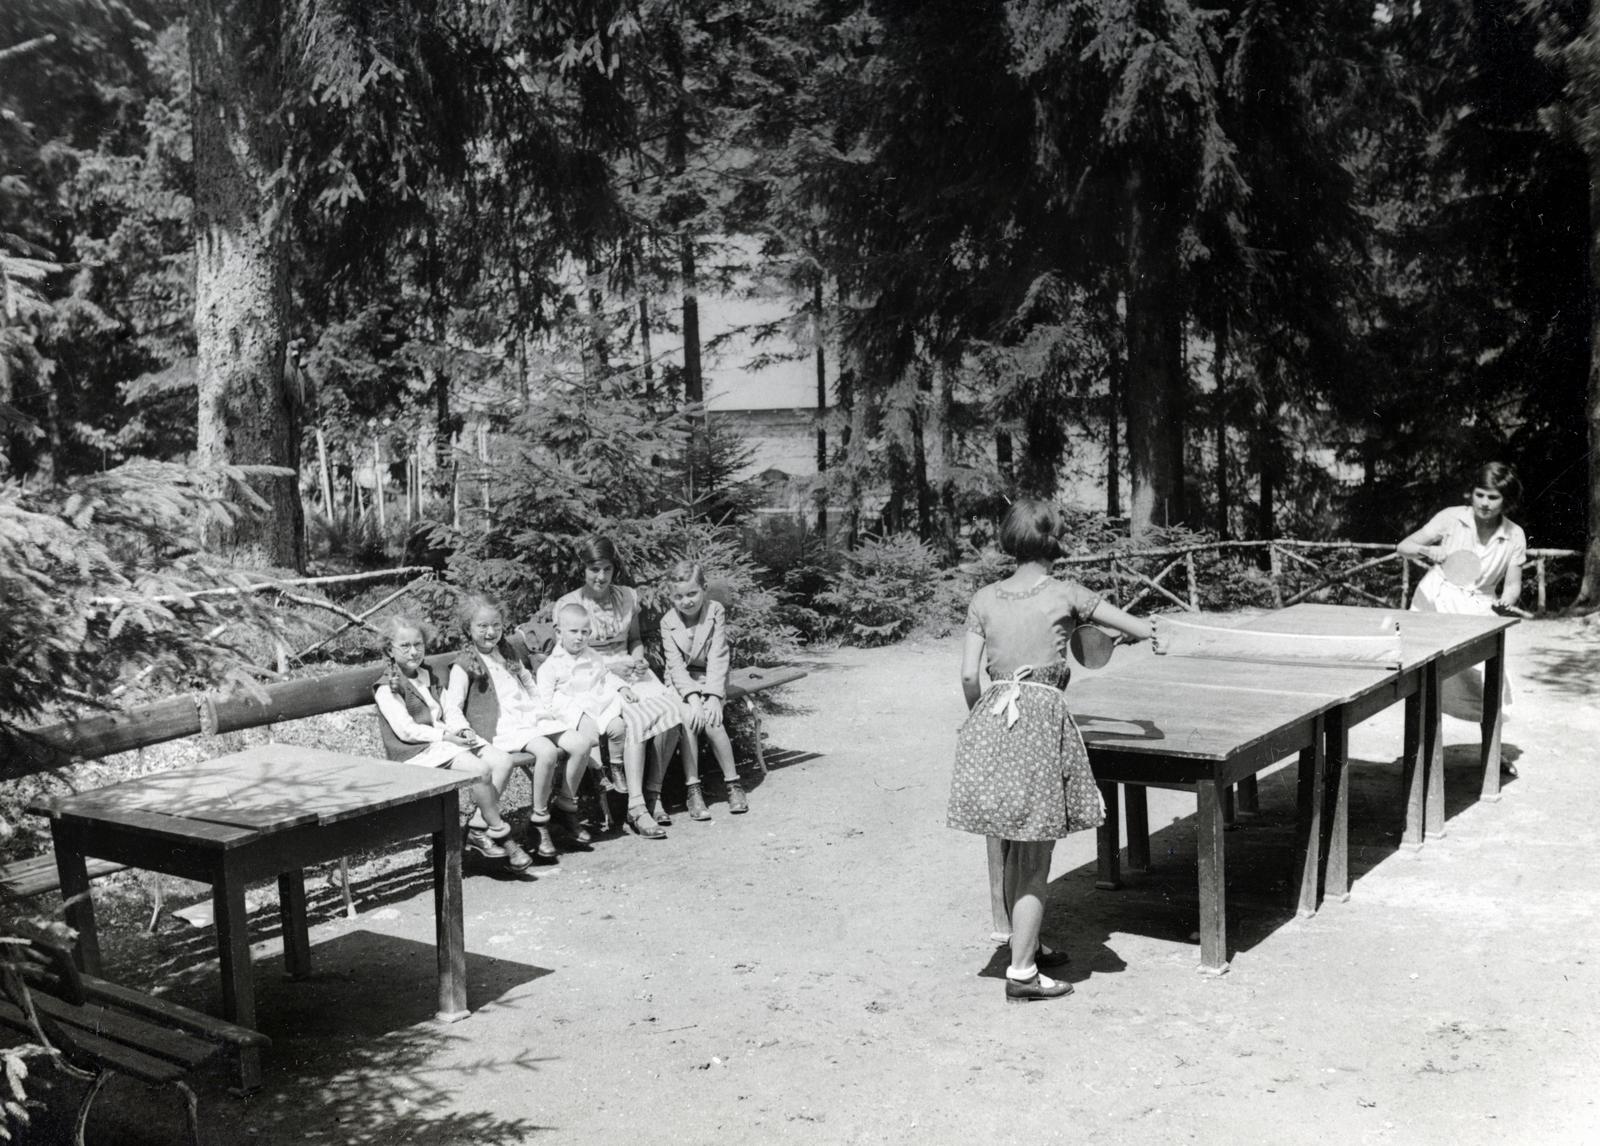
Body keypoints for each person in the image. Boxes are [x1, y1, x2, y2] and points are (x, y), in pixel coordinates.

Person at [950, 499, 1153, 1003]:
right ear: (1054, 542)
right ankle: (1021, 972)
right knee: (1037, 855)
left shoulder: (983, 598)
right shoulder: (1067, 593)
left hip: (994, 717)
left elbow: (968, 676)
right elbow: (1136, 627)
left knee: (1014, 842)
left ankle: (1028, 943)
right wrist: (1149, 633)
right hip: (1040, 722)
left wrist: (982, 716)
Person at [372, 615, 531, 867]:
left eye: (419, 645)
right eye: (405, 646)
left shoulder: (428, 675)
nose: (414, 652)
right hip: (418, 750)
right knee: (480, 770)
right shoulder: (387, 688)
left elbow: (449, 709)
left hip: (446, 741)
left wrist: (462, 730)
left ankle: (478, 828)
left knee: (502, 761)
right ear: (390, 650)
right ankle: (503, 834)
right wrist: (445, 736)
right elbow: (406, 731)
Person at [554, 537, 686, 837]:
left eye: (607, 569)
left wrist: (638, 659)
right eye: (593, 569)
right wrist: (612, 668)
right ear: (582, 568)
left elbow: (635, 639)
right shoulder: (569, 605)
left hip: (631, 670)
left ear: (615, 569)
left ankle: (654, 793)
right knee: (637, 719)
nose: (600, 577)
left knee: (673, 713)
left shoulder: (627, 596)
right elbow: (570, 657)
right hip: (592, 676)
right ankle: (636, 807)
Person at [442, 594, 582, 867]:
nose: (490, 632)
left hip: (528, 717)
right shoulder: (464, 664)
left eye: (496, 625)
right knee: (547, 751)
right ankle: (539, 822)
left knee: (580, 742)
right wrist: (463, 730)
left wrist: (541, 708)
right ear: (468, 629)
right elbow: (453, 706)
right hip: (502, 726)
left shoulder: (506, 651)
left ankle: (564, 807)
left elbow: (527, 682)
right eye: (482, 626)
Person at [1396, 461, 1526, 741]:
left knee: (1487, 681)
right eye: (1480, 494)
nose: (1485, 503)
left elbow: (1513, 586)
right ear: (1472, 493)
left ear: (1506, 501)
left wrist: (1505, 602)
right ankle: (1422, 747)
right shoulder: (1451, 517)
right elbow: (1403, 546)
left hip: (1478, 607)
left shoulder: (1515, 534)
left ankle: (1491, 753)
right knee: (1425, 674)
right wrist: (1427, 551)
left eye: (1493, 497)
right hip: (1435, 600)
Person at [536, 602, 649, 836]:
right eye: (573, 632)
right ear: (559, 632)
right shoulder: (551, 665)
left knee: (618, 725)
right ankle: (598, 773)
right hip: (569, 711)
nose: (579, 638)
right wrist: (565, 714)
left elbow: (605, 676)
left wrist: (620, 688)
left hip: (596, 703)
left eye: (585, 632)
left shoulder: (592, 655)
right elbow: (544, 701)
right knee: (588, 729)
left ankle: (615, 768)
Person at [660, 561, 748, 820]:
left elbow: (719, 656)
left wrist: (711, 696)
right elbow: (675, 666)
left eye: (691, 594)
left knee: (712, 720)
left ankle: (733, 783)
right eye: (678, 596)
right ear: (671, 597)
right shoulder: (668, 622)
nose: (686, 601)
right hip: (682, 681)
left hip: (711, 677)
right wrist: (693, 699)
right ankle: (693, 789)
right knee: (689, 719)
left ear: (704, 589)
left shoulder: (715, 611)